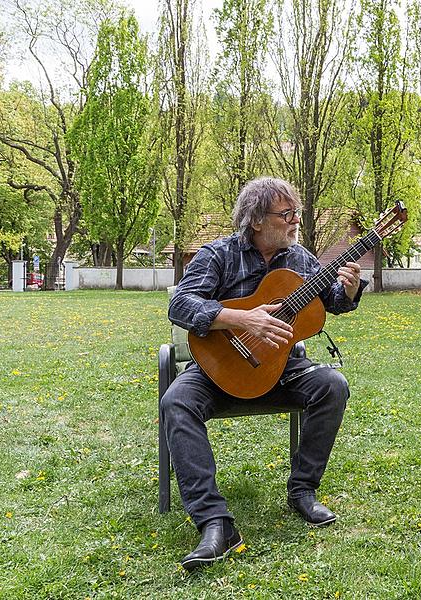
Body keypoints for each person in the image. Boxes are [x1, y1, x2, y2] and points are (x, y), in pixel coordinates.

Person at [162, 177, 366, 571]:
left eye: (297, 214)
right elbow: (182, 305)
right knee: (177, 402)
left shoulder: (302, 259)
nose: (294, 222)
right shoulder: (217, 255)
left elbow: (333, 303)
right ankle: (214, 523)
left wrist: (351, 291)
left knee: (332, 385)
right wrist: (242, 318)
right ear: (256, 221)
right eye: (285, 214)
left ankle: (302, 491)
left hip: (281, 368)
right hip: (218, 366)